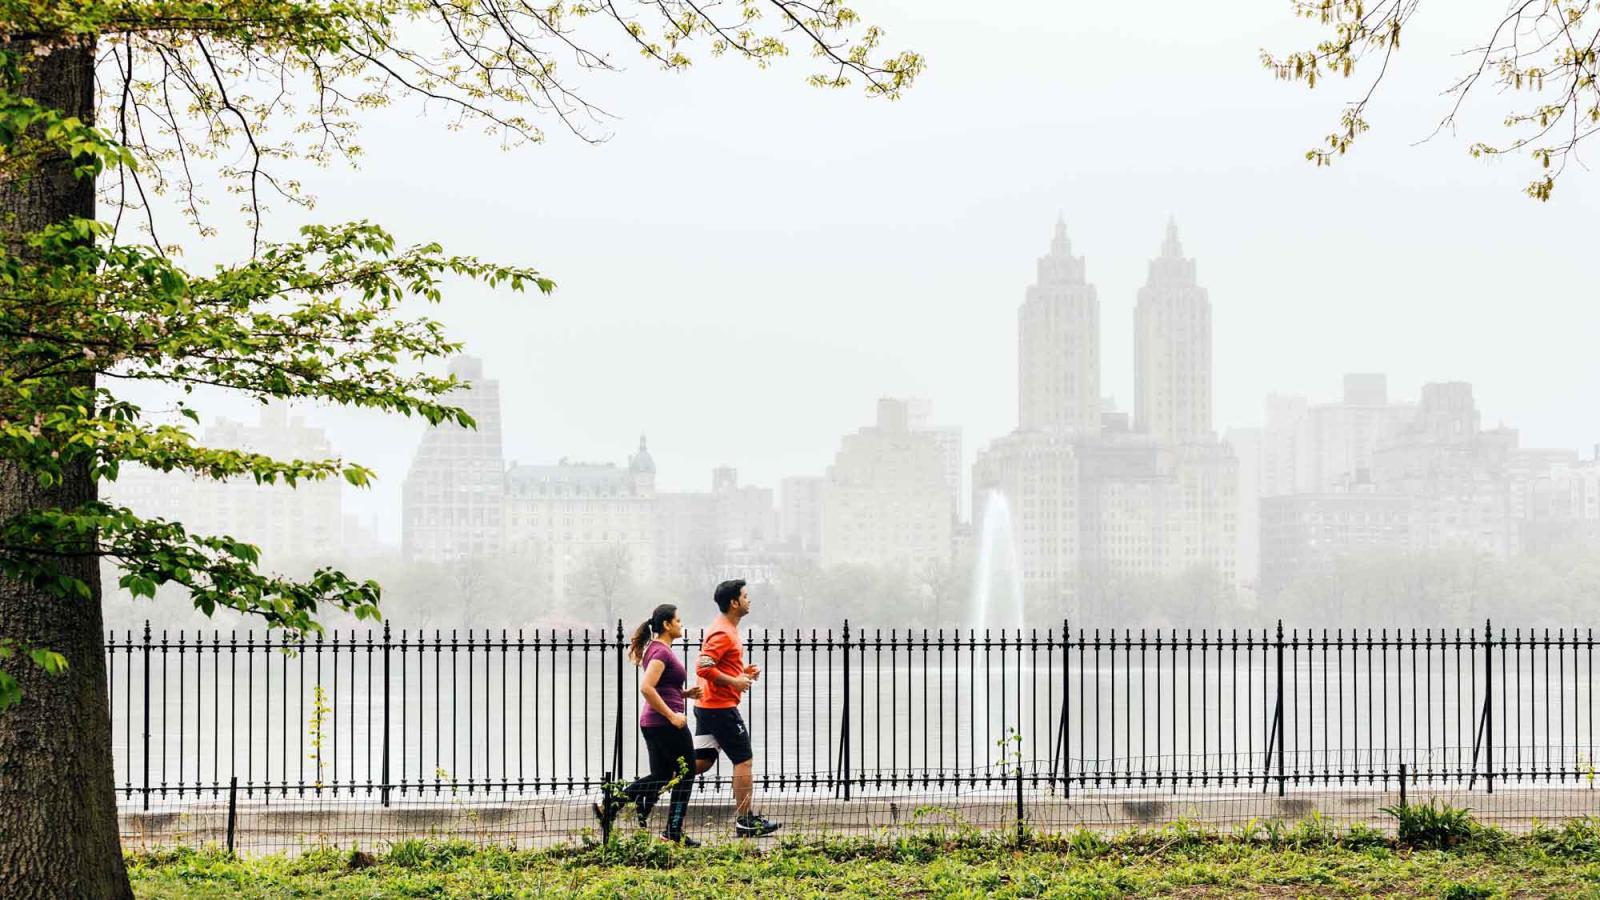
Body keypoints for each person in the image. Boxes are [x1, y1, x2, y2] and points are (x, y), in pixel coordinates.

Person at [599, 603, 702, 845]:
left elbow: (663, 686)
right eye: (678, 621)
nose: (681, 625)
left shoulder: (658, 650)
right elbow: (646, 687)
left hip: (654, 722)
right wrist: (672, 716)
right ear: (666, 625)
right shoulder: (661, 652)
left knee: (662, 775)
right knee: (686, 773)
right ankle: (672, 832)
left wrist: (684, 694)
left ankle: (610, 806)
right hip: (665, 723)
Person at [693, 579, 781, 837]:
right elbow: (703, 667)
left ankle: (640, 793)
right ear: (734, 602)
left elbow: (716, 665)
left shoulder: (727, 629)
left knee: (699, 763)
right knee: (743, 760)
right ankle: (745, 821)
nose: (749, 599)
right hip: (720, 708)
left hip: (708, 705)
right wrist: (735, 681)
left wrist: (741, 672)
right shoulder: (723, 632)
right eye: (745, 596)